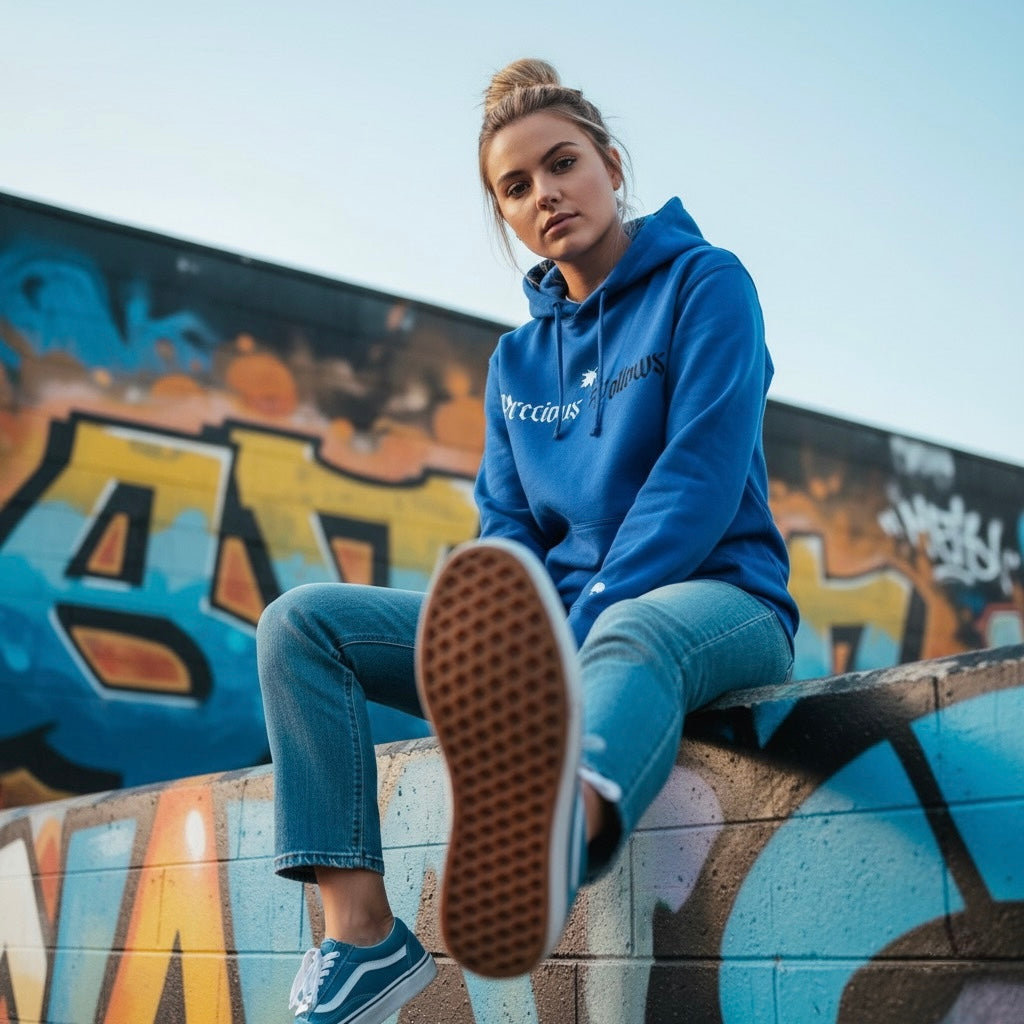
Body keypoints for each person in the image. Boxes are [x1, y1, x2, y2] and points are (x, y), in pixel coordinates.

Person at [257, 57, 798, 1024]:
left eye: (563, 163)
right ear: (504, 214)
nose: (545, 193)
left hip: (719, 599)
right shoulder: (515, 362)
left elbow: (700, 479)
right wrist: (502, 642)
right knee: (302, 626)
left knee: (631, 632)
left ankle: (549, 834)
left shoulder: (707, 284)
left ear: (612, 166)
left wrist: (568, 637)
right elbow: (504, 530)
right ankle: (363, 939)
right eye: (515, 186)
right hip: (558, 634)